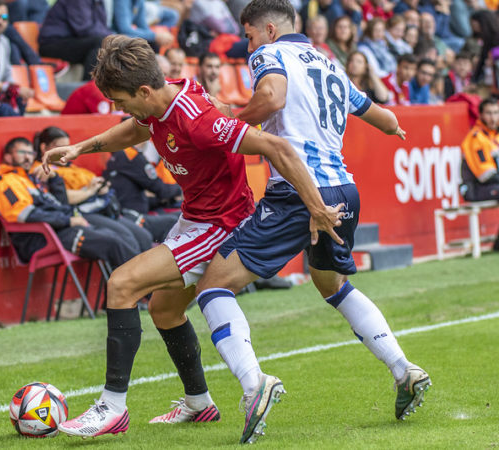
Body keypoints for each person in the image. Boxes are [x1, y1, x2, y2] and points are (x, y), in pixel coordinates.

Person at [41, 34, 342, 441]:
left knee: (121, 284)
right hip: (194, 218)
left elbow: (276, 147)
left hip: (219, 225)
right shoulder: (160, 101)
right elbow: (135, 129)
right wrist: (80, 148)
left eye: (120, 100)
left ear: (144, 90)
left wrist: (317, 207)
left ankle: (112, 407)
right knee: (164, 310)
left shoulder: (197, 119)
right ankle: (199, 403)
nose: (118, 108)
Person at [194, 0, 431, 443]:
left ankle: (254, 385)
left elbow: (271, 99)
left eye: (247, 37)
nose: (247, 47)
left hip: (301, 191)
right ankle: (404, 370)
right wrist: (395, 129)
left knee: (213, 285)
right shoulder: (327, 61)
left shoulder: (269, 54)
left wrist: (227, 122)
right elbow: (385, 117)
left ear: (267, 30)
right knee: (332, 284)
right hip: (345, 189)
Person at [0, 137, 138, 270]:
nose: (28, 157)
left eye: (31, 153)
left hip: (61, 229)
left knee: (118, 238)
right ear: (8, 157)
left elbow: (61, 205)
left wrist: (54, 179)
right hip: (43, 238)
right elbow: (27, 214)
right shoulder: (5, 182)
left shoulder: (30, 178)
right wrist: (68, 220)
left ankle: (128, 297)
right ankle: (146, 294)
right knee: (113, 243)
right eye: (22, 152)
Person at [34, 126, 154, 253]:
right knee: (127, 240)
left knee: (144, 237)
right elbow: (62, 198)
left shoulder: (73, 168)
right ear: (44, 148)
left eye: (67, 147)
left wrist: (100, 187)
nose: (65, 152)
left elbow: (96, 184)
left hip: (101, 207)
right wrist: (90, 191)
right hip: (81, 213)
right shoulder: (42, 170)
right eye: (60, 148)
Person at [38, 0, 112, 81]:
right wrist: (111, 39)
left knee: (109, 44)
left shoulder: (98, 1)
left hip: (72, 40)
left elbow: (102, 27)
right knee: (99, 43)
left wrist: (115, 39)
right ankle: (89, 88)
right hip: (52, 43)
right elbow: (84, 29)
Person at [460, 98, 499, 207]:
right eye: (489, 113)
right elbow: (486, 175)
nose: (493, 118)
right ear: (481, 115)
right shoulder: (476, 138)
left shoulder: (495, 137)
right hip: (475, 188)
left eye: (496, 113)